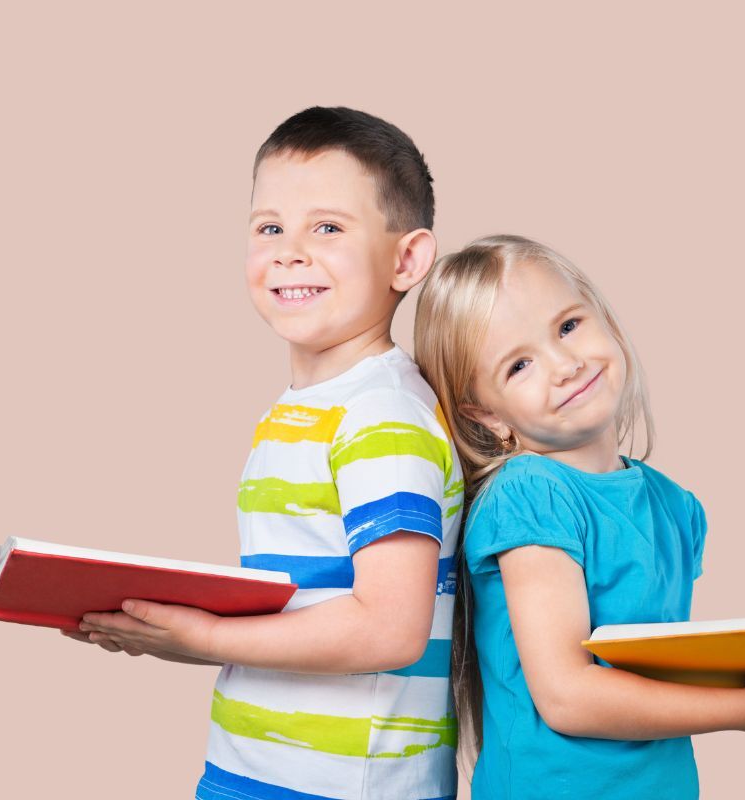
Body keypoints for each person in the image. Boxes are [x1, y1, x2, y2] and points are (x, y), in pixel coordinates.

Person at [68, 107, 463, 800]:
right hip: (250, 767)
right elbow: (305, 611)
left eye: (328, 228)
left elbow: (390, 628)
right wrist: (169, 630)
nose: (289, 251)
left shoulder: (384, 415)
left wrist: (205, 638)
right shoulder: (299, 411)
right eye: (270, 227)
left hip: (344, 786)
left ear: (407, 259)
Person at [413, 235, 745, 800]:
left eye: (567, 326)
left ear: (602, 316)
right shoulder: (531, 494)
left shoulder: (676, 506)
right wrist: (742, 710)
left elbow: (650, 672)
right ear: (486, 415)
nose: (565, 364)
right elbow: (567, 696)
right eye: (519, 365)